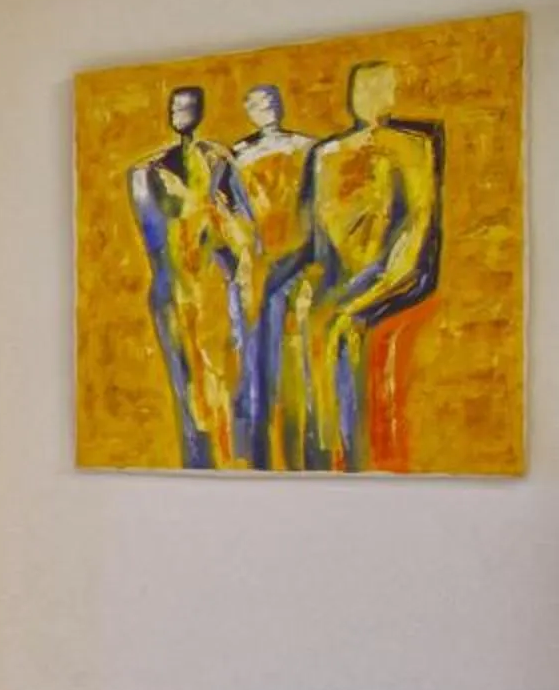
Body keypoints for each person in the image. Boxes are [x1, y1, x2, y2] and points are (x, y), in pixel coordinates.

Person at [289, 61, 443, 471]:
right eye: (361, 88)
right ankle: (319, 459)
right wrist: (309, 282)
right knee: (302, 316)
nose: (368, 98)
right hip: (340, 278)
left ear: (392, 95)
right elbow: (317, 242)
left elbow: (415, 234)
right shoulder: (325, 154)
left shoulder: (412, 148)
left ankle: (352, 462)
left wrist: (368, 296)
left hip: (393, 276)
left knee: (342, 326)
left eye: (379, 89)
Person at [127, 86, 258, 469]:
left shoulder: (217, 157)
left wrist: (237, 270)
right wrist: (207, 215)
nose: (181, 113)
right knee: (186, 389)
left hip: (215, 288)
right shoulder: (145, 172)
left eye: (188, 107)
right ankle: (197, 465)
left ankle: (231, 465)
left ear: (200, 111)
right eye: (176, 107)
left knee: (223, 383)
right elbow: (154, 235)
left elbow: (243, 224)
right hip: (173, 288)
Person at [230, 84, 315, 467]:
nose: (267, 109)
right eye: (258, 104)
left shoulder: (306, 148)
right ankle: (253, 455)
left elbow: (314, 208)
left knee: (289, 359)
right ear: (249, 111)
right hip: (252, 266)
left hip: (294, 262)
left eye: (272, 102)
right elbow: (230, 215)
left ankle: (295, 453)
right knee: (249, 357)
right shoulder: (237, 155)